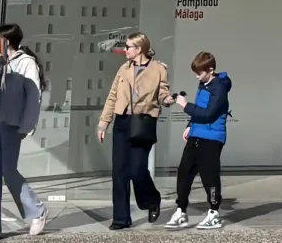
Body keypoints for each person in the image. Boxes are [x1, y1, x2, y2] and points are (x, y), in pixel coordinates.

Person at [96, 32, 171, 231]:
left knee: (137, 170)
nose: (125, 50)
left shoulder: (158, 69)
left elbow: (163, 92)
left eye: (128, 47)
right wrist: (104, 122)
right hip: (122, 122)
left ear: (139, 49)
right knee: (119, 172)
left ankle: (151, 200)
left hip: (143, 122)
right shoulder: (123, 69)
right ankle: (121, 218)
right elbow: (113, 96)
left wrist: (167, 99)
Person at [0, 23, 49, 240]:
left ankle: (37, 210)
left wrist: (27, 126)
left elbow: (34, 98)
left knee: (8, 170)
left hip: (12, 124)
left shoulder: (26, 63)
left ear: (6, 41)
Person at [168, 49, 233, 230]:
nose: (197, 76)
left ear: (210, 70)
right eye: (195, 73)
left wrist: (184, 105)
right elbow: (200, 108)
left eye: (200, 73)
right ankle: (181, 210)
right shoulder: (204, 84)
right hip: (197, 134)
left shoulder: (219, 87)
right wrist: (190, 125)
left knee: (209, 176)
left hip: (212, 138)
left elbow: (208, 114)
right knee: (184, 173)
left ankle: (214, 213)